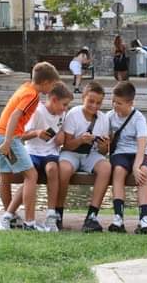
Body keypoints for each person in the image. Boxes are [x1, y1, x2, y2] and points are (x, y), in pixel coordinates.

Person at [0, 61, 60, 231]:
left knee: (5, 177)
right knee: (31, 175)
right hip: (8, 138)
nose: (52, 88)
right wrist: (8, 141)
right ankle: (30, 223)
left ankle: (9, 218)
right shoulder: (33, 95)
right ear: (45, 82)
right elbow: (15, 116)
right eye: (52, 84)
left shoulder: (25, 87)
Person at [57, 82, 112, 232]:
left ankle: (91, 217)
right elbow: (66, 145)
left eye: (98, 103)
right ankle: (57, 214)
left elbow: (103, 152)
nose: (94, 106)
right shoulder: (73, 114)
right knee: (64, 169)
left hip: (91, 154)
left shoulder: (103, 119)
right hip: (71, 153)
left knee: (106, 168)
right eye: (91, 101)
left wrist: (104, 145)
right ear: (83, 98)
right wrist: (81, 140)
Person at [19, 83, 72, 231]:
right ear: (54, 100)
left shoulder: (62, 114)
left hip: (50, 152)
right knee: (31, 176)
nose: (65, 108)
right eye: (64, 104)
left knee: (52, 169)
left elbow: (60, 131)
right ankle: (28, 219)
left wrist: (61, 136)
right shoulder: (37, 112)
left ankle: (51, 215)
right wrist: (37, 133)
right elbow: (22, 135)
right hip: (33, 151)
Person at [106, 81, 147, 234]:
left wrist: (136, 166)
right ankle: (118, 218)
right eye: (113, 101)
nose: (115, 105)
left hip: (140, 153)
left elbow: (142, 144)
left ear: (130, 103)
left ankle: (144, 220)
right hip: (121, 153)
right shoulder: (109, 116)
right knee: (118, 171)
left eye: (119, 103)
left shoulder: (138, 118)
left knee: (144, 172)